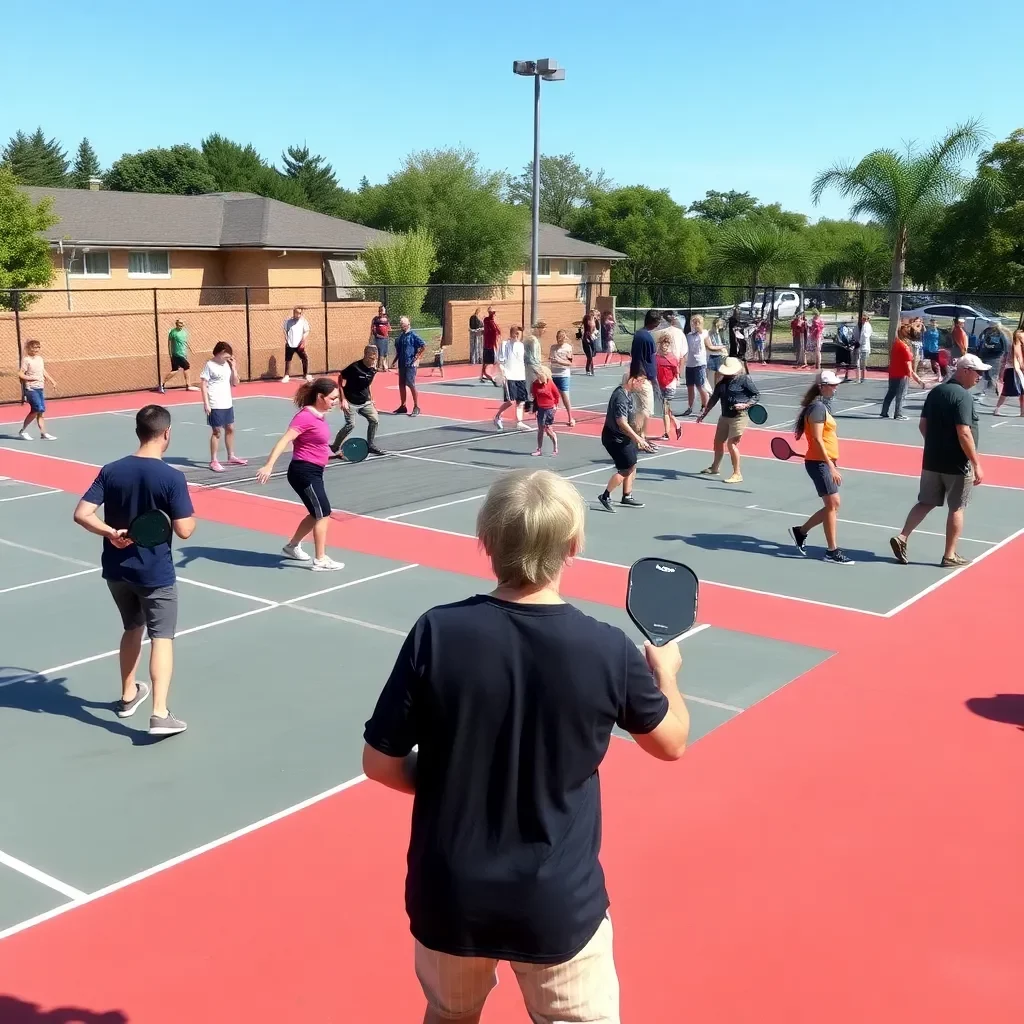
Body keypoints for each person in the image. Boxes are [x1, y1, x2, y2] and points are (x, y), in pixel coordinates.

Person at [361, 469, 689, 1024]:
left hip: (450, 895)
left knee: (447, 1015)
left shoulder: (436, 632)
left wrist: (447, 779)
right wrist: (669, 676)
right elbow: (671, 743)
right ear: (574, 544)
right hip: (557, 903)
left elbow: (380, 763)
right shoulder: (607, 650)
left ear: (486, 541)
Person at [73, 405, 195, 737]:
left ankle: (128, 695)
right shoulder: (172, 477)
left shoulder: (111, 470)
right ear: (166, 433)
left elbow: (82, 514)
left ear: (138, 432)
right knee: (162, 637)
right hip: (154, 573)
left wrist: (110, 533)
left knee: (132, 627)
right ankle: (159, 713)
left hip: (117, 571)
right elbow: (185, 530)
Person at [890, 354, 988, 568]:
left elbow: (922, 425)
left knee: (926, 501)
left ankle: (903, 536)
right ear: (964, 371)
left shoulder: (936, 392)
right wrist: (976, 463)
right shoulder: (962, 397)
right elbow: (964, 432)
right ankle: (949, 555)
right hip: (957, 464)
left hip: (932, 461)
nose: (980, 376)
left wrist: (934, 446)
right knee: (957, 507)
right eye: (977, 372)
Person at [257, 378, 344, 572]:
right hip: (303, 471)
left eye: (337, 398)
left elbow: (316, 444)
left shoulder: (319, 416)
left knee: (316, 512)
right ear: (320, 396)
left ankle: (291, 547)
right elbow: (284, 441)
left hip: (314, 470)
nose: (335, 401)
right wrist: (269, 465)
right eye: (332, 398)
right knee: (324, 513)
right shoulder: (305, 417)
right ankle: (320, 559)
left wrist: (333, 454)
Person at [787, 371, 854, 565]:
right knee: (833, 505)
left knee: (833, 505)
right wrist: (831, 466)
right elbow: (816, 439)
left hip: (823, 461)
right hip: (819, 463)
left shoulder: (820, 406)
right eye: (832, 385)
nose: (836, 387)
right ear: (822, 386)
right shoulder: (817, 408)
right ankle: (832, 551)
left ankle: (800, 531)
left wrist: (832, 462)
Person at [598, 370, 656, 512]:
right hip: (614, 438)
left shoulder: (628, 394)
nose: (642, 385)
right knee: (626, 468)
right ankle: (605, 496)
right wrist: (637, 438)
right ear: (632, 380)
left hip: (624, 437)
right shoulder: (621, 397)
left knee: (632, 463)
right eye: (641, 381)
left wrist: (639, 437)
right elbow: (621, 422)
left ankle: (627, 496)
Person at [696, 356, 760, 484]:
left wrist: (745, 405)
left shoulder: (744, 380)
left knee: (732, 444)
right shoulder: (721, 383)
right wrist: (704, 413)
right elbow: (713, 399)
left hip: (739, 417)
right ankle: (715, 467)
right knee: (718, 442)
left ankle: (737, 473)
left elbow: (756, 395)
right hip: (725, 416)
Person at [200, 342, 247, 472]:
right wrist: (206, 403)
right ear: (220, 353)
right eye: (226, 357)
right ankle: (214, 460)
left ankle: (231, 456)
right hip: (215, 404)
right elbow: (203, 385)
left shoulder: (227, 365)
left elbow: (235, 383)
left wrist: (234, 368)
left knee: (230, 428)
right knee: (217, 432)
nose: (228, 359)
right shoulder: (209, 365)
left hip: (227, 402)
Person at [331, 344, 384, 457]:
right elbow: (340, 379)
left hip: (365, 402)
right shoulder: (354, 367)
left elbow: (368, 385)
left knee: (374, 420)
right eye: (371, 359)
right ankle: (334, 446)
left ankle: (370, 445)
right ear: (365, 355)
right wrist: (343, 399)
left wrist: (371, 399)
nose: (373, 362)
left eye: (375, 359)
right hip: (350, 401)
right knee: (351, 425)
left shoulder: (373, 369)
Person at [880, 317, 926, 420]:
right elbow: (909, 368)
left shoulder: (897, 344)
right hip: (901, 375)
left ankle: (884, 411)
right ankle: (898, 414)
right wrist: (918, 380)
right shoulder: (905, 348)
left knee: (891, 392)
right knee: (901, 394)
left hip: (893, 373)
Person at [17, 339, 58, 441]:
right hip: (31, 389)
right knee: (37, 409)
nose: (36, 349)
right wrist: (31, 378)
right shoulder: (26, 360)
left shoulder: (40, 359)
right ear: (29, 348)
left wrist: (51, 380)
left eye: (38, 347)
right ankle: (23, 431)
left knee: (41, 412)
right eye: (34, 347)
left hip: (40, 388)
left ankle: (43, 434)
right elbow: (20, 374)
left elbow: (43, 371)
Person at [628, 310, 659, 438]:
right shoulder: (648, 338)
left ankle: (637, 435)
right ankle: (641, 437)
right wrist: (652, 378)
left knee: (639, 408)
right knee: (646, 409)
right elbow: (649, 360)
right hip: (643, 377)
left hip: (635, 375)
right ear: (654, 322)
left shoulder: (638, 335)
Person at [493, 325, 530, 431]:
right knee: (510, 401)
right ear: (512, 333)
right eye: (516, 333)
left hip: (520, 376)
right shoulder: (505, 345)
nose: (518, 335)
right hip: (509, 376)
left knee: (521, 401)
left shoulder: (521, 346)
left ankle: (519, 422)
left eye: (519, 333)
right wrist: (502, 373)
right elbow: (500, 361)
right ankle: (498, 416)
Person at [392, 316, 425, 417]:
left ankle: (416, 406)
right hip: (402, 364)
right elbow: (399, 351)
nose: (402, 326)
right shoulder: (400, 337)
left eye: (403, 324)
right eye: (401, 324)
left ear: (407, 325)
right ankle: (403, 405)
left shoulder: (413, 335)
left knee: (410, 383)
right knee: (401, 384)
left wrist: (417, 356)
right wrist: (394, 361)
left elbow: (423, 345)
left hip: (410, 364)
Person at [682, 313, 712, 416]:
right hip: (690, 363)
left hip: (700, 363)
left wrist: (720, 348)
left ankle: (704, 407)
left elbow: (709, 346)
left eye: (697, 322)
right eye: (694, 322)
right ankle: (690, 407)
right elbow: (685, 349)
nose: (695, 324)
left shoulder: (704, 333)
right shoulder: (689, 335)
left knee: (700, 386)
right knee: (690, 387)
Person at [654, 335, 682, 441]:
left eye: (666, 344)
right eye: (662, 344)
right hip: (659, 385)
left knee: (664, 410)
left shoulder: (672, 358)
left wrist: (677, 379)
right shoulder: (656, 357)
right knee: (666, 409)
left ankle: (667, 433)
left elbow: (676, 371)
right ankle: (676, 423)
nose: (664, 346)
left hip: (669, 386)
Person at [159, 318, 197, 393]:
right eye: (180, 323)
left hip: (183, 354)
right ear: (176, 324)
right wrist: (170, 354)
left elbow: (185, 342)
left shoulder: (184, 332)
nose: (182, 325)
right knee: (187, 366)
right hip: (176, 354)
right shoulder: (173, 333)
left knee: (175, 370)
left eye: (182, 323)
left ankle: (162, 384)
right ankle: (188, 385)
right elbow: (169, 344)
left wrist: (191, 349)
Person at [993, 328, 1024, 417]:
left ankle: (1022, 412)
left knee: (1022, 392)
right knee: (1006, 391)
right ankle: (997, 409)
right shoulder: (1014, 346)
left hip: (1015, 370)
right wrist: (1001, 372)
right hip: (1012, 370)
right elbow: (1007, 359)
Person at [530, 364, 560, 457]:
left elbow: (556, 395)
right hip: (541, 409)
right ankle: (539, 449)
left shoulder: (550, 383)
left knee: (548, 429)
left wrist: (555, 405)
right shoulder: (535, 384)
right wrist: (535, 409)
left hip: (549, 409)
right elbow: (535, 396)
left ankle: (555, 447)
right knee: (540, 430)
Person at [548, 328, 576, 426]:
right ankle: (549, 417)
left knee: (565, 397)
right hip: (553, 374)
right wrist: (552, 360)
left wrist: (559, 361)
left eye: (560, 338)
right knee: (551, 397)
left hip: (563, 375)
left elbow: (569, 363)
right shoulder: (553, 347)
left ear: (564, 338)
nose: (559, 340)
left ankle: (570, 417)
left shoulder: (568, 348)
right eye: (557, 337)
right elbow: (551, 359)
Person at [282, 305, 311, 384]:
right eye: (297, 313)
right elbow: (284, 330)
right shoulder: (288, 321)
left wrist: (303, 340)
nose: (298, 315)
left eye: (300, 313)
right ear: (294, 313)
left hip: (299, 345)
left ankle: (305, 375)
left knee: (305, 359)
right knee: (288, 360)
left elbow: (307, 331)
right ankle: (286, 376)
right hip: (290, 344)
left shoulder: (303, 321)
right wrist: (287, 339)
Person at [977, 325, 1008, 400]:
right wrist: (1004, 355)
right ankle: (997, 391)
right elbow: (1005, 345)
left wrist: (978, 353)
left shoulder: (985, 331)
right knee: (993, 375)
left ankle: (984, 391)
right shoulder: (1001, 333)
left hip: (984, 355)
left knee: (985, 374)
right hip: (995, 357)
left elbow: (979, 342)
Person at [481, 306, 501, 386]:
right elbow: (497, 333)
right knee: (494, 363)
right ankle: (493, 377)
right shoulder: (490, 323)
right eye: (493, 312)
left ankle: (484, 376)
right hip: (490, 347)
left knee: (485, 363)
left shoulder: (488, 321)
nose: (494, 314)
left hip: (488, 346)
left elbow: (497, 333)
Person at [369, 304, 391, 373]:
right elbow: (373, 328)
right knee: (380, 352)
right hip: (379, 339)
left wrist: (387, 334)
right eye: (380, 311)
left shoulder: (386, 319)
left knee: (385, 352)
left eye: (382, 311)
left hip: (385, 338)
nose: (381, 312)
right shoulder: (376, 319)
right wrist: (376, 335)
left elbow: (389, 327)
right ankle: (379, 367)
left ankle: (385, 367)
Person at [854, 312, 872, 383]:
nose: (863, 320)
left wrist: (860, 342)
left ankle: (863, 377)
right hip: (859, 347)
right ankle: (858, 378)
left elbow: (866, 336)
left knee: (863, 363)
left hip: (864, 347)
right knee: (857, 363)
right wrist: (857, 342)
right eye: (862, 319)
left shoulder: (867, 326)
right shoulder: (858, 325)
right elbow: (855, 334)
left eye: (865, 319)